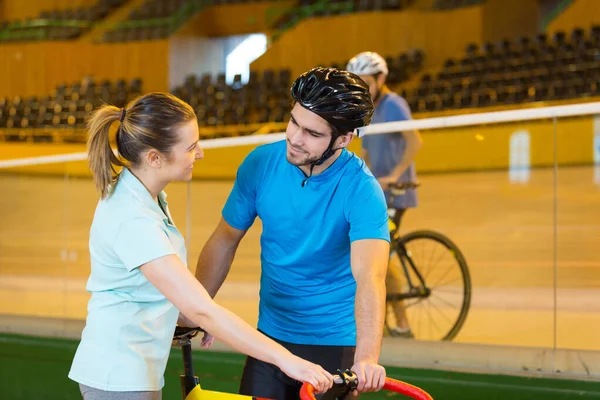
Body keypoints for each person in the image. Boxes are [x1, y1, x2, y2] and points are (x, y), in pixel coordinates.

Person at [67, 92, 333, 400]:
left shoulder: (145, 195)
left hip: (132, 370)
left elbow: (171, 295)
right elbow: (201, 309)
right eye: (191, 147)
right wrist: (289, 362)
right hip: (118, 376)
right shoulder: (133, 218)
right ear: (154, 158)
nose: (201, 153)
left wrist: (189, 315)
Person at [194, 67, 390, 399]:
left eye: (312, 133)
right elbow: (225, 238)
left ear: (343, 139)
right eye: (294, 122)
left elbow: (370, 277)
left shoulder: (363, 190)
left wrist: (367, 358)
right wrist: (196, 306)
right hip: (270, 339)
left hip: (333, 343)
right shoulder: (261, 163)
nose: (295, 138)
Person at [346, 51, 424, 339]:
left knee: (381, 257)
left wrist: (396, 174)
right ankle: (390, 318)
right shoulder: (367, 108)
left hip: (395, 193)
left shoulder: (395, 105)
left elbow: (415, 142)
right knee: (377, 255)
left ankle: (401, 323)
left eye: (367, 82)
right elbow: (366, 149)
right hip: (377, 191)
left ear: (381, 79)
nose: (362, 88)